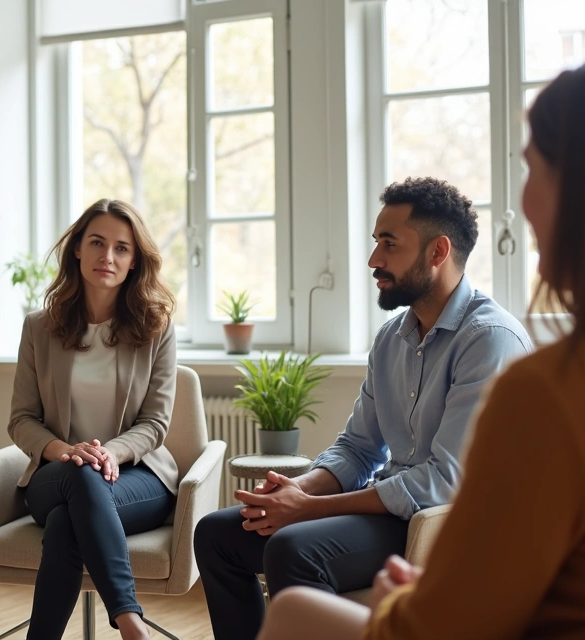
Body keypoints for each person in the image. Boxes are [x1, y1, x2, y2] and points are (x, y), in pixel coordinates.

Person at [256, 50, 585, 640]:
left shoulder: (548, 393)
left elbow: (435, 627)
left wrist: (393, 603)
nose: (526, 204)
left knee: (291, 614)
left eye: (534, 170)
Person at [194, 177, 533, 640]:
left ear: (438, 252)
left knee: (295, 549)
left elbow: (443, 482)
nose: (374, 259)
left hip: (444, 525)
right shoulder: (391, 338)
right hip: (390, 512)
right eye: (376, 242)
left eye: (389, 244)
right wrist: (299, 488)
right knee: (218, 535)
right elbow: (357, 448)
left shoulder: (489, 340)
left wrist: (309, 509)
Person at [8, 198, 178, 640]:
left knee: (68, 521)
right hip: (55, 475)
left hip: (137, 478)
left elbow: (156, 423)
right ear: (77, 250)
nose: (108, 256)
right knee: (79, 476)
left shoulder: (157, 327)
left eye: (122, 248)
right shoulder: (39, 328)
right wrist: (66, 451)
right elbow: (22, 419)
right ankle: (130, 623)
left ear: (134, 260)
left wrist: (109, 453)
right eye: (97, 243)